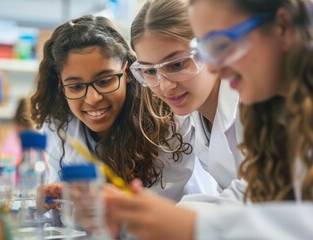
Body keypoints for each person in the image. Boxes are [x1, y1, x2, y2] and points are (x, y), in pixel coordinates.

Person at [106, 0, 313, 239]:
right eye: (149, 71)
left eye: (224, 45)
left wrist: (191, 225)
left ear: (283, 27)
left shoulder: (274, 109)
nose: (214, 67)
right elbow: (260, 194)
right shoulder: (266, 111)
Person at [30, 15, 211, 214]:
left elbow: (154, 210)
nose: (92, 98)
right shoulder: (59, 124)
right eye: (76, 86)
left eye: (105, 80)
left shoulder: (167, 121)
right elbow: (62, 206)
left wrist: (89, 202)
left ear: (126, 71)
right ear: (60, 84)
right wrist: (52, 200)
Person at [129, 0, 245, 201]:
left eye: (176, 65)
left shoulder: (250, 103)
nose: (165, 87)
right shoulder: (192, 117)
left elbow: (261, 193)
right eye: (149, 71)